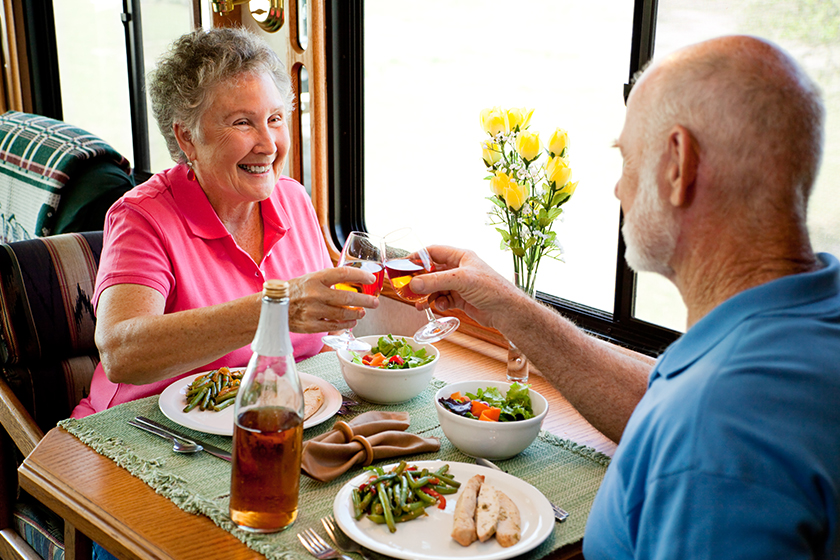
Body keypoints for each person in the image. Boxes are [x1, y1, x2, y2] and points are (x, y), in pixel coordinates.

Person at [411, 35, 840, 558]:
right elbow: (658, 406)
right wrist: (511, 307)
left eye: (627, 158)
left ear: (678, 165)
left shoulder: (716, 431)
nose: (618, 189)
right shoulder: (799, 321)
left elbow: (698, 431)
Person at [72, 27, 379, 418]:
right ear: (187, 138)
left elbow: (325, 334)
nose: (268, 144)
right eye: (242, 123)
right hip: (146, 430)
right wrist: (275, 308)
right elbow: (120, 354)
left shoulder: (294, 200)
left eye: (275, 118)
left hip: (264, 417)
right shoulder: (143, 217)